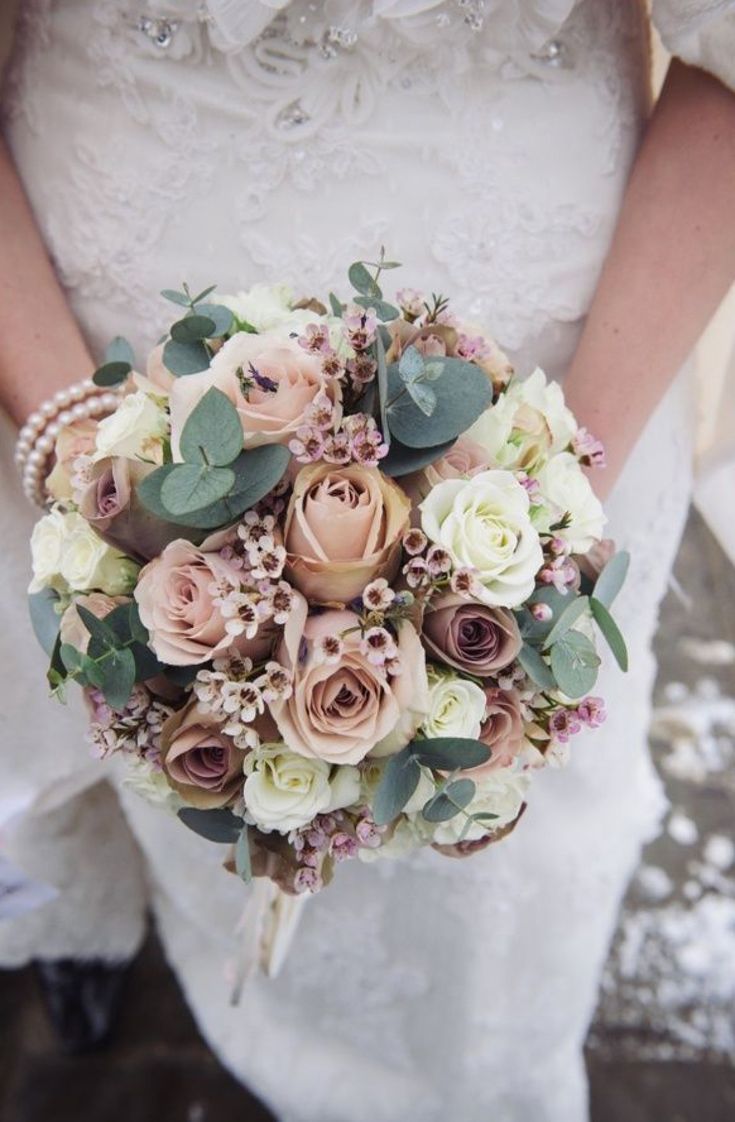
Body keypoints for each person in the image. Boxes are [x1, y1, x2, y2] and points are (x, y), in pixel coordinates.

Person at [1, 2, 734, 1119]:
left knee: (489, 871)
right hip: (99, 319)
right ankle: (90, 912)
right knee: (125, 711)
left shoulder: (549, 465)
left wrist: (558, 490)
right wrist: (72, 428)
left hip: (554, 360)